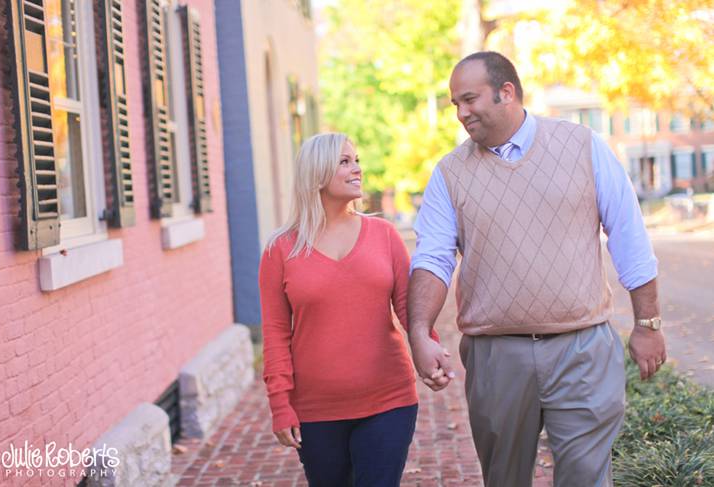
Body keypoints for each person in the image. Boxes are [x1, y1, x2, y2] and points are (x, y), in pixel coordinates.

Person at [407, 51, 667, 487]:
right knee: (504, 478)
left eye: (469, 99)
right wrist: (420, 331)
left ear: (506, 92)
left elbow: (629, 237)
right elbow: (432, 258)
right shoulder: (450, 174)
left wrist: (648, 322)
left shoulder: (582, 146)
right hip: (495, 356)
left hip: (582, 347)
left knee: (586, 477)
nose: (461, 112)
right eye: (455, 104)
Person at [259, 133, 437, 486]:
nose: (357, 169)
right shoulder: (280, 250)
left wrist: (428, 347)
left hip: (389, 399)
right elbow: (276, 334)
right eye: (344, 161)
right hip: (316, 409)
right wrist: (280, 403)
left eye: (356, 160)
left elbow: (408, 308)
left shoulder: (384, 235)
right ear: (317, 173)